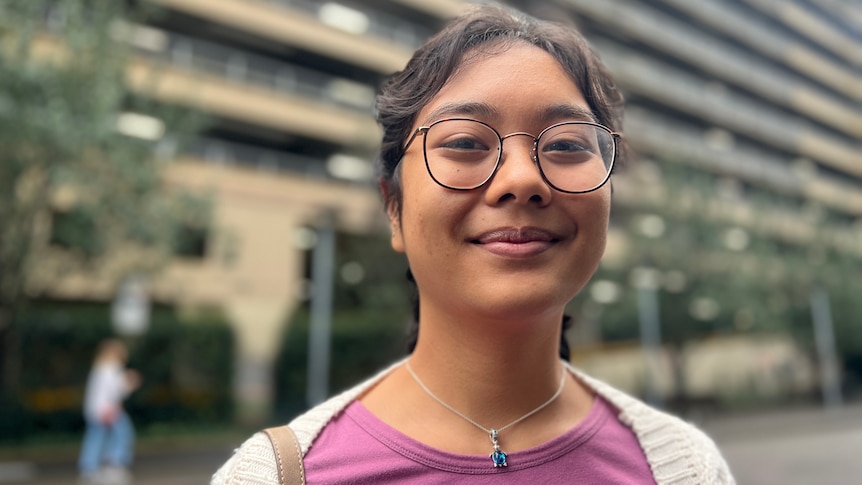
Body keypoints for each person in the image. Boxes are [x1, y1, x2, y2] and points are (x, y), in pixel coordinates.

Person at [213, 4, 735, 484]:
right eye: (465, 142)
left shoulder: (682, 468)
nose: (523, 180)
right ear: (392, 207)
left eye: (566, 145)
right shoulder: (278, 475)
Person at [78, 338, 140, 485]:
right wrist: (129, 384)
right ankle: (114, 465)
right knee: (123, 434)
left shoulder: (98, 368)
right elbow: (115, 391)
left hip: (95, 410)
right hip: (107, 411)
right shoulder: (110, 369)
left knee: (95, 438)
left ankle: (89, 469)